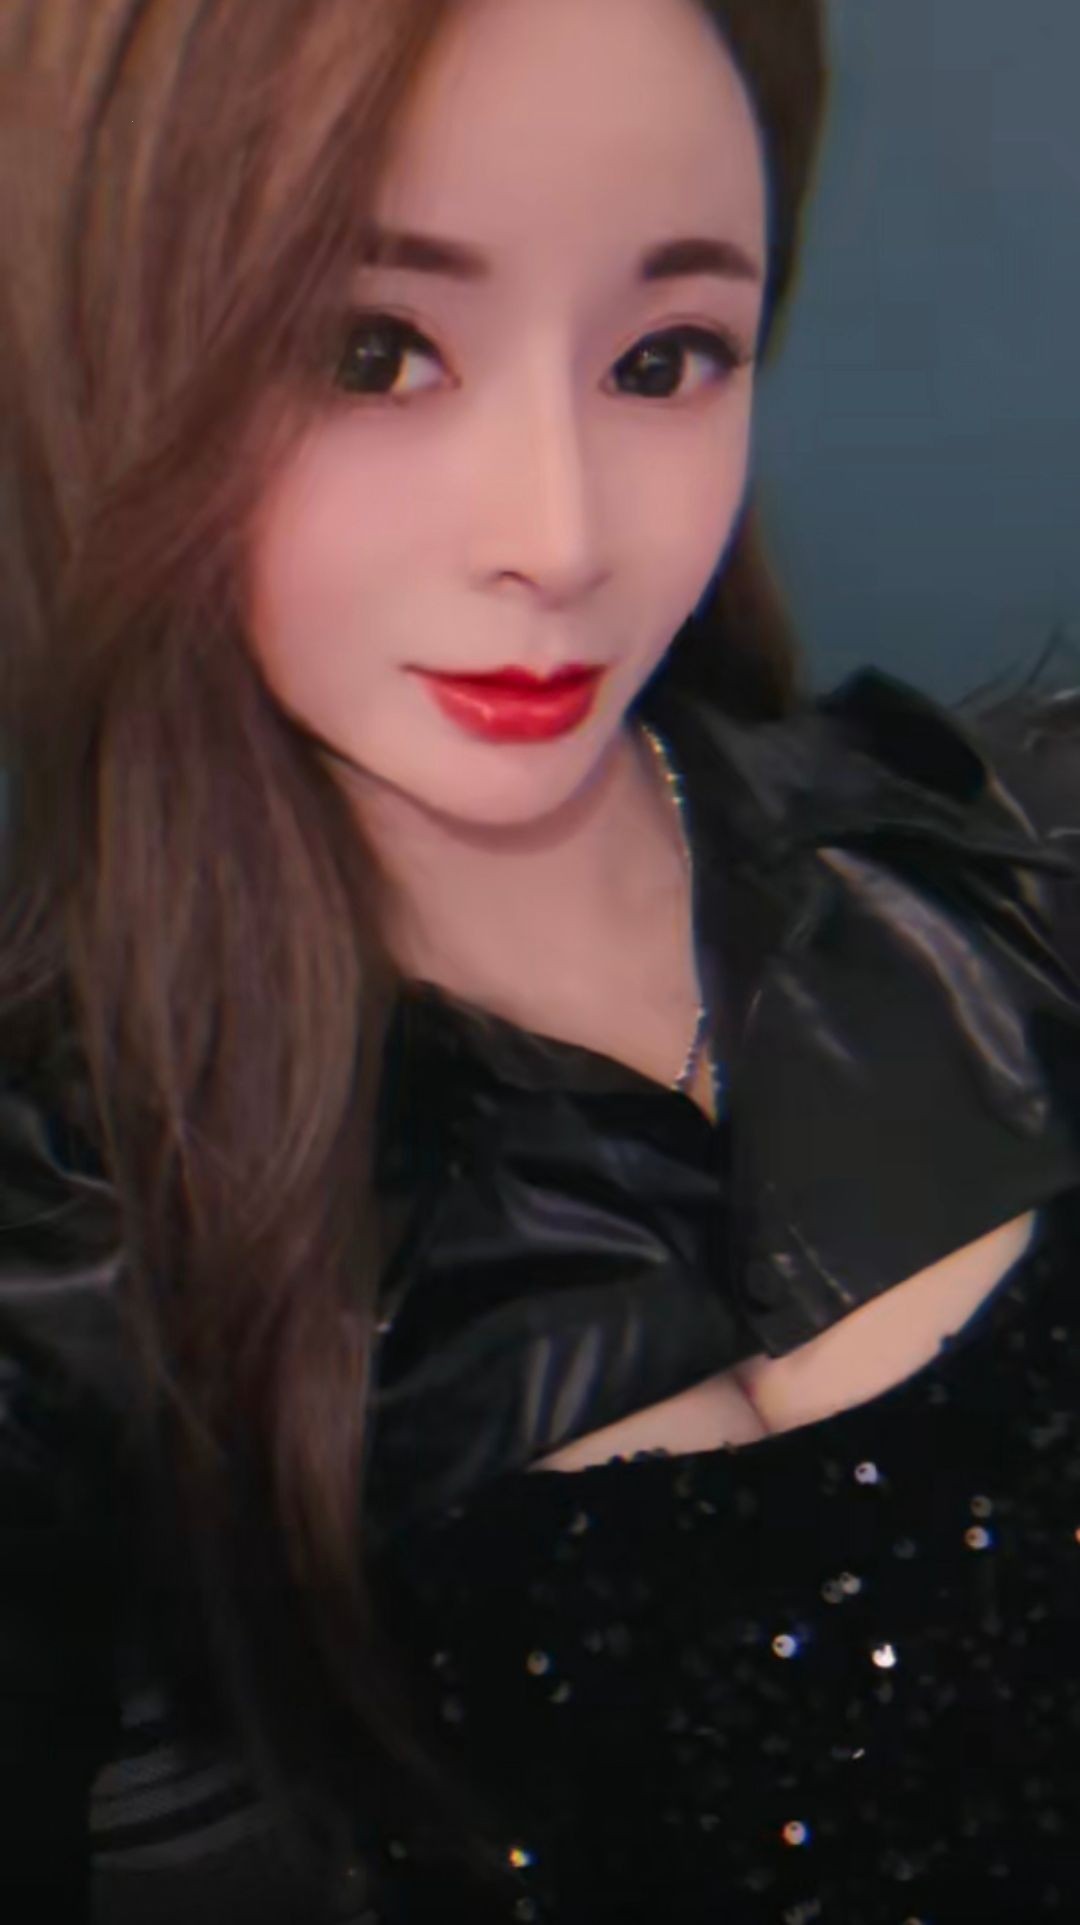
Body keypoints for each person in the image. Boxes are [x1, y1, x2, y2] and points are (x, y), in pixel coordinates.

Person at [1, 0, 1079, 1920]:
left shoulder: (1008, 865)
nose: (559, 536)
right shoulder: (63, 1260)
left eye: (664, 358)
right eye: (372, 351)